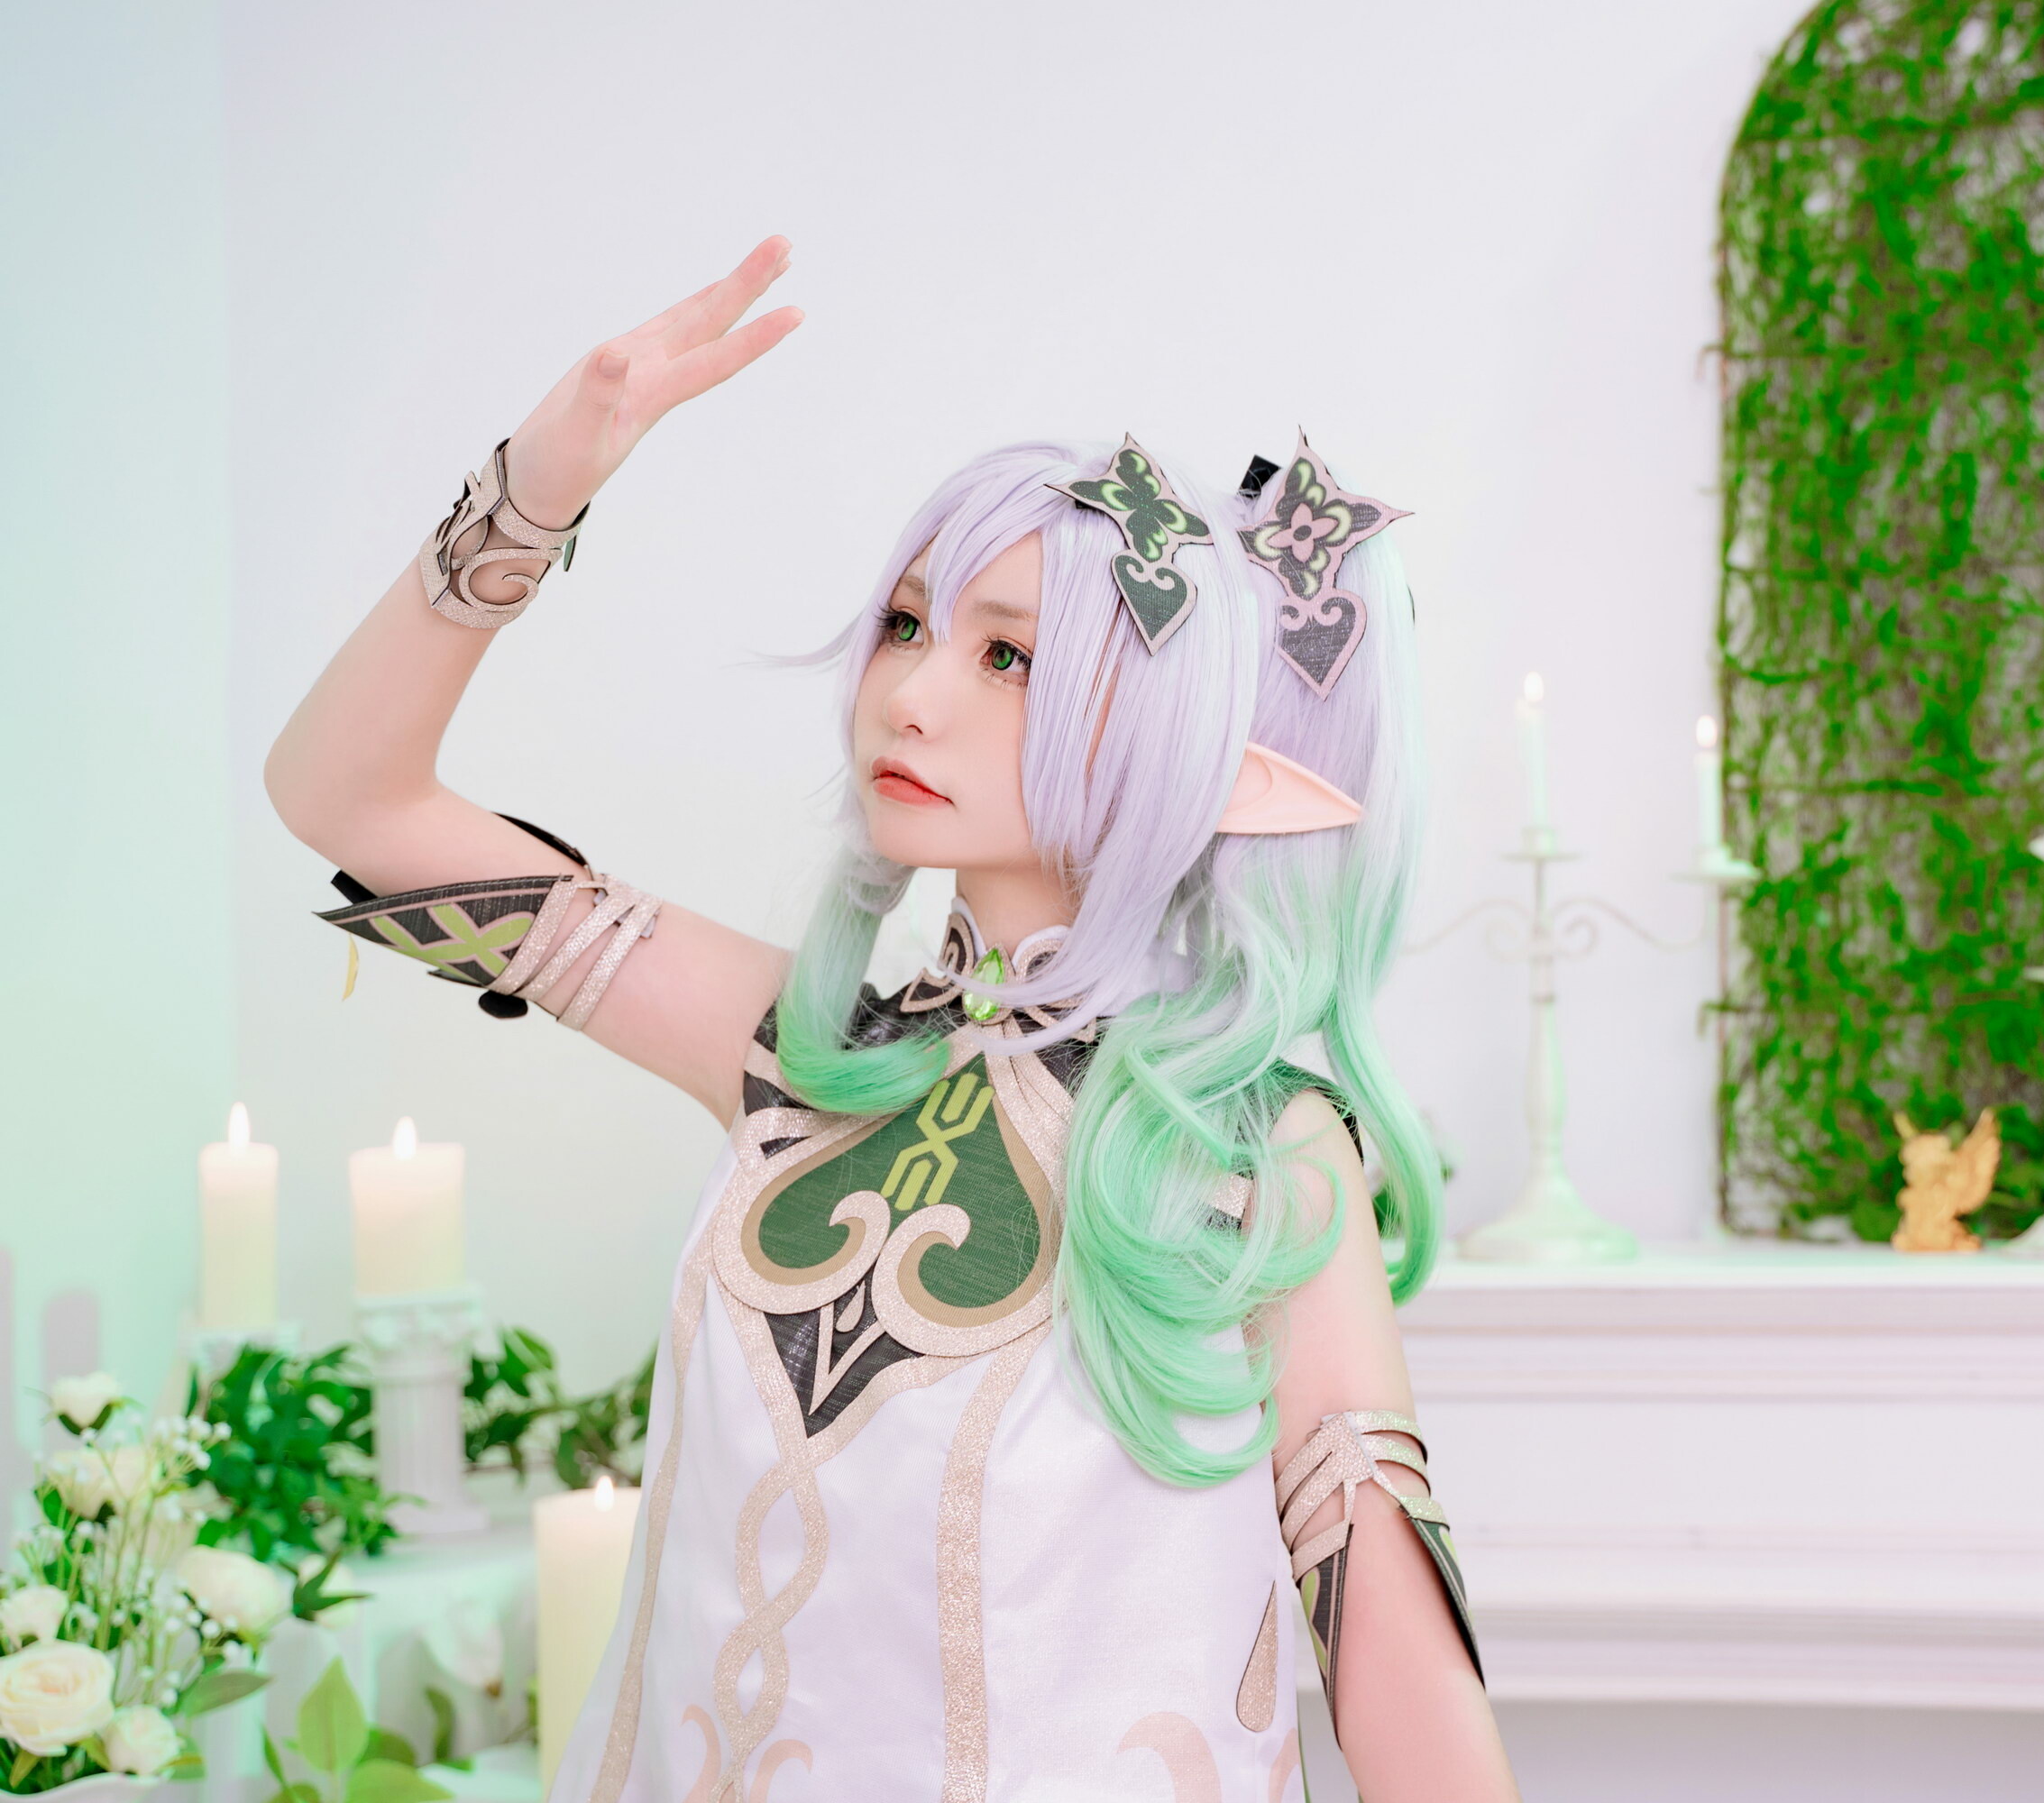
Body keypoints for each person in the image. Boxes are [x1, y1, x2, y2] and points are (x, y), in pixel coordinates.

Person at [266, 239, 1516, 1802]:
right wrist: (535, 488)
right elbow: (350, 803)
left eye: (1009, 656)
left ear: (1169, 736)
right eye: (909, 625)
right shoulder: (794, 1056)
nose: (911, 695)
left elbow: (1391, 1656)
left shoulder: (1255, 1146)